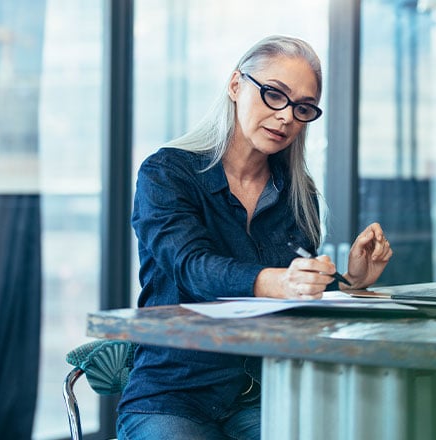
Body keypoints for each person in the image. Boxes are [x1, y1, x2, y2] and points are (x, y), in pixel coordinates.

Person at [116, 35, 393, 440]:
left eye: (302, 107)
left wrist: (350, 281)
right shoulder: (166, 174)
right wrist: (280, 281)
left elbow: (293, 298)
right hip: (174, 395)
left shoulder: (299, 194)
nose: (286, 118)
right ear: (235, 86)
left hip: (269, 394)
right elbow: (193, 268)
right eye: (273, 95)